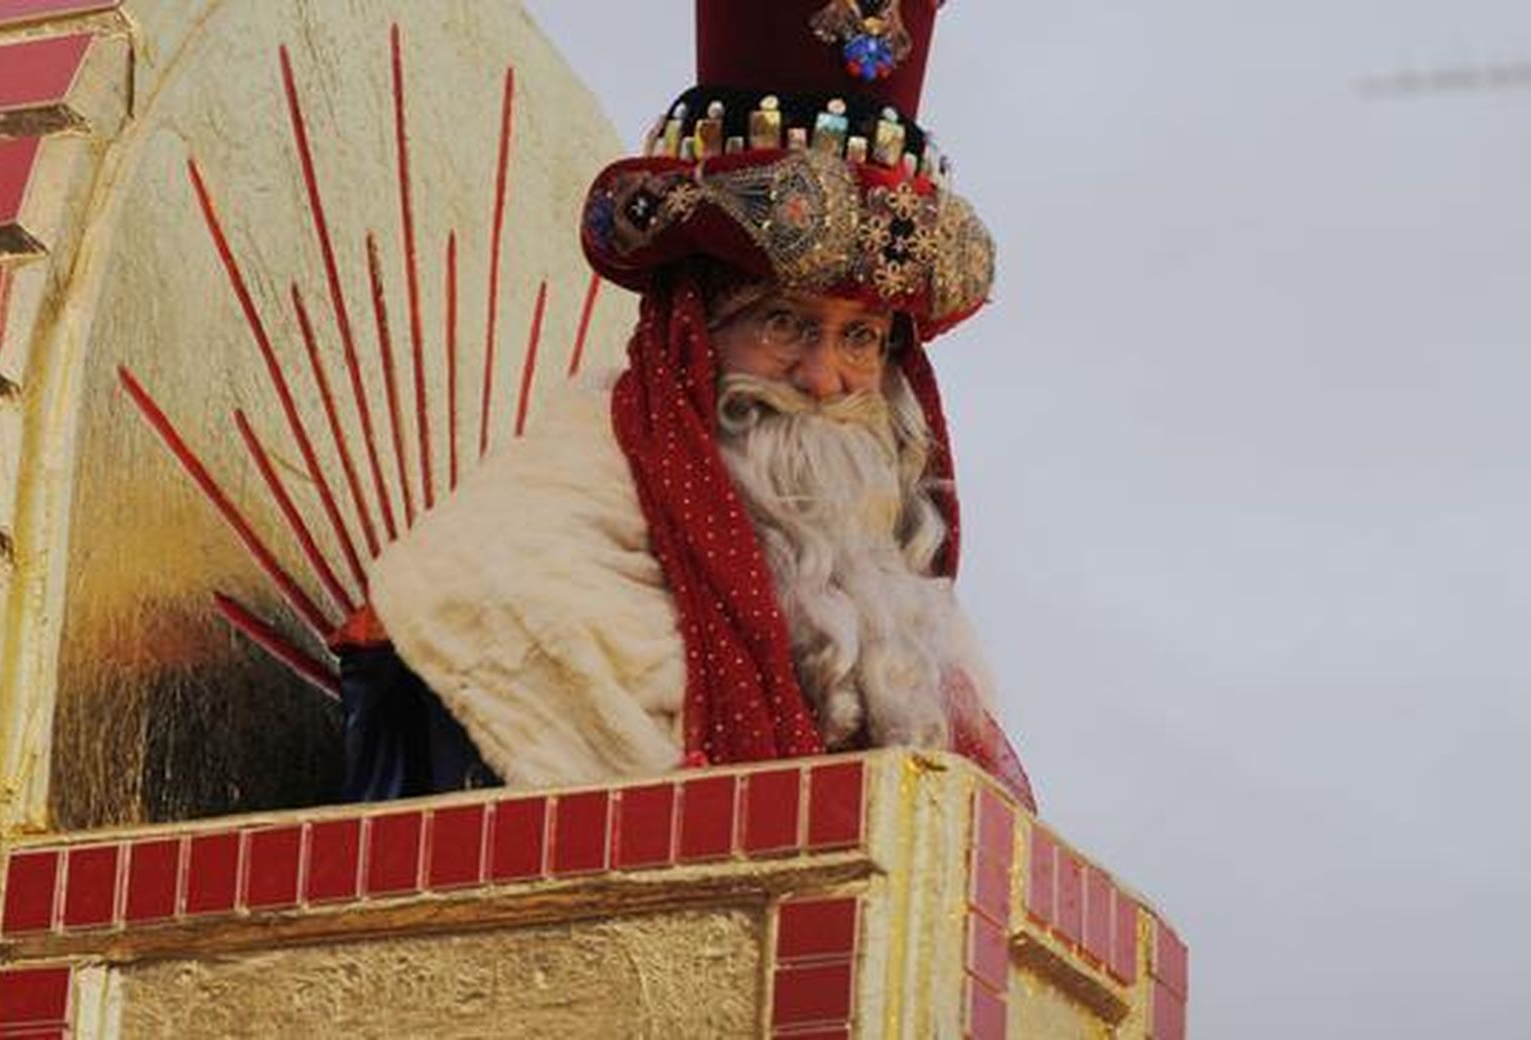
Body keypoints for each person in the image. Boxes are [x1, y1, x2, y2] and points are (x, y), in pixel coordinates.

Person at [334, 0, 1035, 812]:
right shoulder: (509, 575)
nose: (825, 378)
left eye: (863, 338)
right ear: (689, 335)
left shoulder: (913, 634)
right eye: (784, 323)